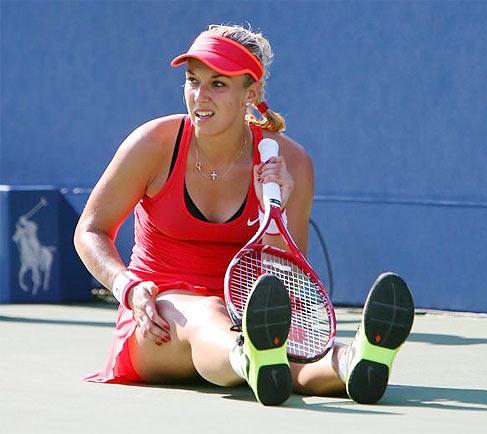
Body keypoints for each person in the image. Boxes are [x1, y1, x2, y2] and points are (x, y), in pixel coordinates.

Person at [75, 24, 415, 406]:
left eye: (218, 84)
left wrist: (276, 212)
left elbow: (288, 278)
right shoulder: (153, 144)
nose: (200, 96)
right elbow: (90, 230)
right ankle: (250, 357)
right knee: (209, 312)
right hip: (154, 323)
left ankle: (353, 362)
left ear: (250, 94)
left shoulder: (292, 163)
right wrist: (127, 287)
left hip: (250, 317)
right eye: (192, 81)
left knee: (297, 357)